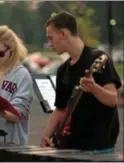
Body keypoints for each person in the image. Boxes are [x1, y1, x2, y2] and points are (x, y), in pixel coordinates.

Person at [40, 11, 122, 150]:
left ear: (63, 34)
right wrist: (47, 134)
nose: (49, 44)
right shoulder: (62, 70)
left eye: (51, 38)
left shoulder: (99, 58)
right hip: (70, 146)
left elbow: (113, 100)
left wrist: (94, 88)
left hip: (99, 147)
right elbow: (60, 108)